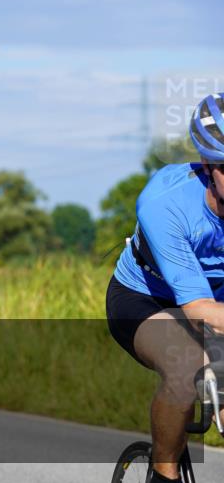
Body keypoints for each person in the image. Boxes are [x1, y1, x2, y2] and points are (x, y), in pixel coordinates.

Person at [106, 92, 224, 483]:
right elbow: (198, 310)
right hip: (147, 298)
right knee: (186, 364)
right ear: (208, 165)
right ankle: (164, 473)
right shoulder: (165, 203)